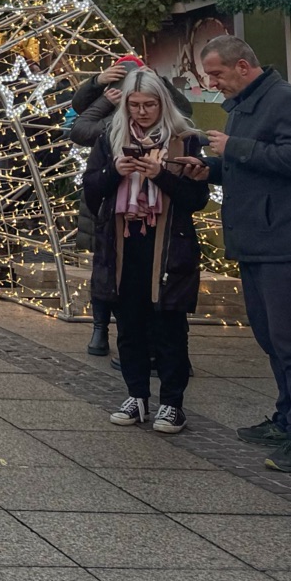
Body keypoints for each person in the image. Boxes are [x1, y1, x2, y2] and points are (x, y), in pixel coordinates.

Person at [199, 35, 291, 473]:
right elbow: (252, 165)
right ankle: (285, 419)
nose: (213, 84)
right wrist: (207, 168)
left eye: (217, 74)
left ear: (243, 66)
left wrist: (233, 147)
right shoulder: (246, 107)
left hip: (290, 245)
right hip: (259, 243)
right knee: (271, 338)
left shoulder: (288, 102)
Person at [75, 67, 208, 435]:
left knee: (169, 326)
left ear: (162, 103)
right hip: (122, 243)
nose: (141, 112)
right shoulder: (111, 136)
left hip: (168, 246)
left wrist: (160, 175)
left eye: (149, 104)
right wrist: (115, 171)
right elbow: (91, 193)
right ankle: (136, 396)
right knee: (129, 324)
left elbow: (197, 200)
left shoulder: (184, 139)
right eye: (134, 105)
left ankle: (172, 404)